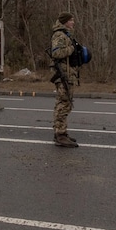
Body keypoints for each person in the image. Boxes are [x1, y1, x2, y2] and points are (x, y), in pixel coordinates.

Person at [49, 12, 82, 148]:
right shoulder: (59, 35)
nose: (73, 22)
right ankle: (60, 134)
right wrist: (72, 49)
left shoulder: (65, 34)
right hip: (63, 74)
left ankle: (61, 132)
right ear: (65, 22)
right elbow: (56, 53)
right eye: (71, 20)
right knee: (63, 103)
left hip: (68, 74)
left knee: (65, 102)